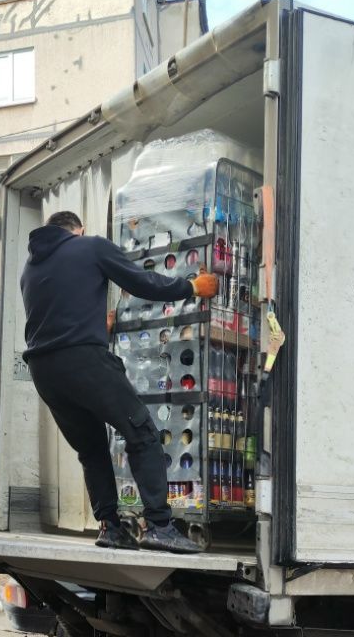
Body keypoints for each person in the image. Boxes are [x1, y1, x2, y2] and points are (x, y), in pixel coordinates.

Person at [20, 211, 219, 553]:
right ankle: (159, 525)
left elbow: (58, 314)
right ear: (78, 230)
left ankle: (110, 526)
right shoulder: (90, 247)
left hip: (44, 370)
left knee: (91, 448)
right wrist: (191, 286)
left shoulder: (30, 270)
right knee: (140, 432)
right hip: (84, 361)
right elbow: (141, 282)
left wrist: (98, 325)